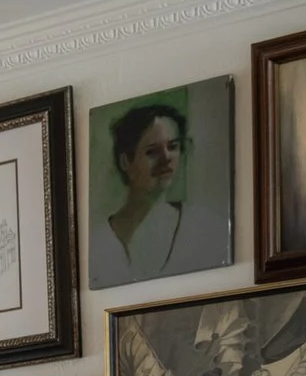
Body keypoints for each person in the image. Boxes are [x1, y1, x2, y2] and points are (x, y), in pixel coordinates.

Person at [90, 102, 230, 285]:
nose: (166, 158)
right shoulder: (98, 244)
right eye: (152, 152)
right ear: (125, 162)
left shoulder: (204, 228)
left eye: (173, 147)